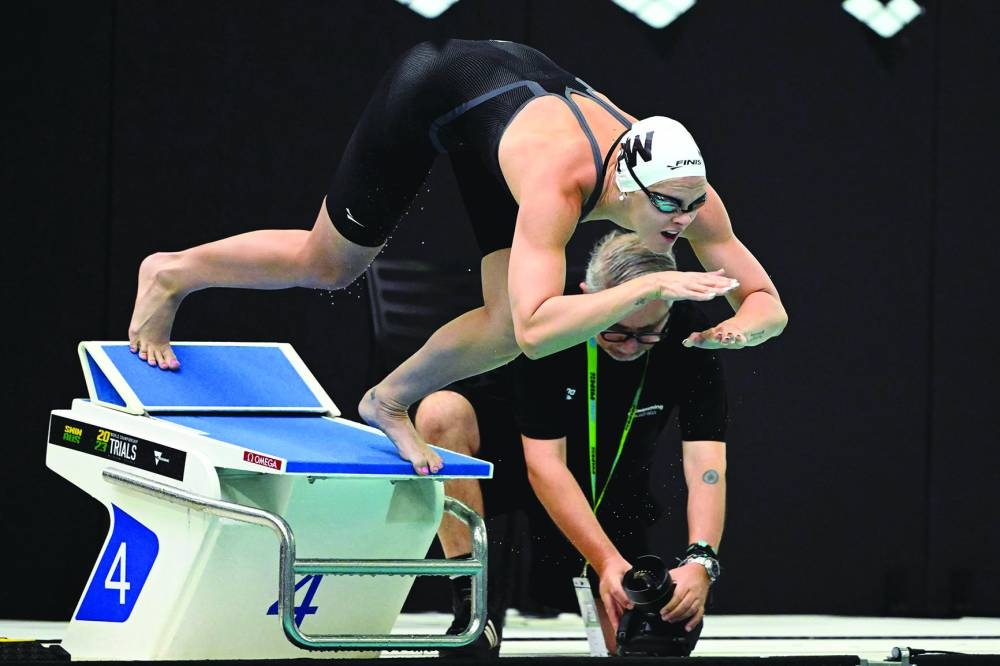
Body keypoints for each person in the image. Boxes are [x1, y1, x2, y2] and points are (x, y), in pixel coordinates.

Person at [127, 38, 785, 476]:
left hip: (519, 105)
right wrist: (649, 292)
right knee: (330, 265)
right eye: (671, 207)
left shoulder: (687, 193)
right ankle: (171, 272)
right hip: (440, 90)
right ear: (627, 188)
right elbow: (537, 331)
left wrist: (740, 327)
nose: (688, 220)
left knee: (498, 325)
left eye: (693, 204)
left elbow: (768, 304)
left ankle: (387, 400)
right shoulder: (563, 184)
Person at [415, 230, 727, 657]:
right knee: (440, 413)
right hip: (510, 457)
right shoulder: (552, 319)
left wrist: (701, 560)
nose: (632, 346)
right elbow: (544, 464)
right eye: (616, 332)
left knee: (641, 643)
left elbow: (706, 461)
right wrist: (605, 560)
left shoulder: (693, 334)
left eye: (649, 333)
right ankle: (474, 603)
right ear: (588, 299)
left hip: (607, 480)